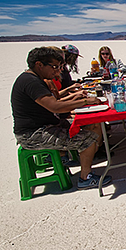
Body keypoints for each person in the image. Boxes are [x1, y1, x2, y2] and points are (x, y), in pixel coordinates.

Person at [11, 46, 112, 189]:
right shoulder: (31, 81)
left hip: (45, 125)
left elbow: (55, 103)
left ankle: (81, 160)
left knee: (92, 125)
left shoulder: (35, 79)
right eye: (54, 67)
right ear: (39, 65)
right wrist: (85, 101)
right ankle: (86, 177)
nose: (58, 71)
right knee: (89, 139)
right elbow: (55, 106)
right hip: (33, 134)